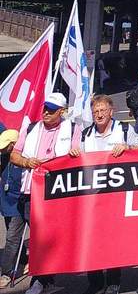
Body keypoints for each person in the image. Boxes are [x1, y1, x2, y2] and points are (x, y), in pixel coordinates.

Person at [71, 95, 138, 294]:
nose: (99, 114)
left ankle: (113, 281)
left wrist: (129, 148)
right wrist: (74, 154)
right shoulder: (85, 135)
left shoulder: (125, 130)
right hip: (91, 198)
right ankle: (94, 281)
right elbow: (76, 162)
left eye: (103, 110)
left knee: (112, 240)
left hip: (117, 197)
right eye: (96, 112)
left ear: (111, 112)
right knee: (91, 240)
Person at [8, 92, 77, 294]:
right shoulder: (30, 128)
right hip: (30, 191)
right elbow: (14, 155)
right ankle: (41, 280)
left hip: (55, 194)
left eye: (52, 110)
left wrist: (74, 154)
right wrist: (27, 162)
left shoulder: (73, 128)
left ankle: (42, 279)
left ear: (62, 112)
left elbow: (78, 154)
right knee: (32, 237)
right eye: (45, 108)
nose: (46, 112)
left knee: (45, 239)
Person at [0, 128, 23, 290]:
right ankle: (22, 259)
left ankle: (7, 272)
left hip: (18, 204)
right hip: (6, 204)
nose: (2, 149)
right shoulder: (3, 157)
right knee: (12, 236)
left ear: (14, 144)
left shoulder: (21, 159)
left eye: (5, 146)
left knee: (12, 238)